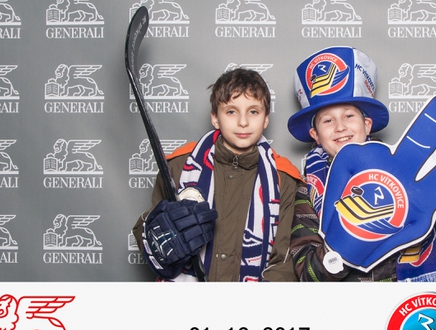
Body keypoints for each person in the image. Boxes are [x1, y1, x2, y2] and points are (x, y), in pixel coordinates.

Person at [287, 46, 436, 282]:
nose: (340, 127)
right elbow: (308, 276)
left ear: (367, 125)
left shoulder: (413, 171)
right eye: (328, 120)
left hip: (413, 299)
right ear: (316, 135)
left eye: (349, 116)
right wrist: (343, 244)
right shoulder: (307, 192)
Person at [132, 68, 312, 282]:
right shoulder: (178, 167)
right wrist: (160, 238)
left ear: (266, 119)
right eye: (231, 112)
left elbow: (281, 260)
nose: (243, 122)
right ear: (215, 118)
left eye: (253, 112)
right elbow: (149, 234)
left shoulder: (284, 178)